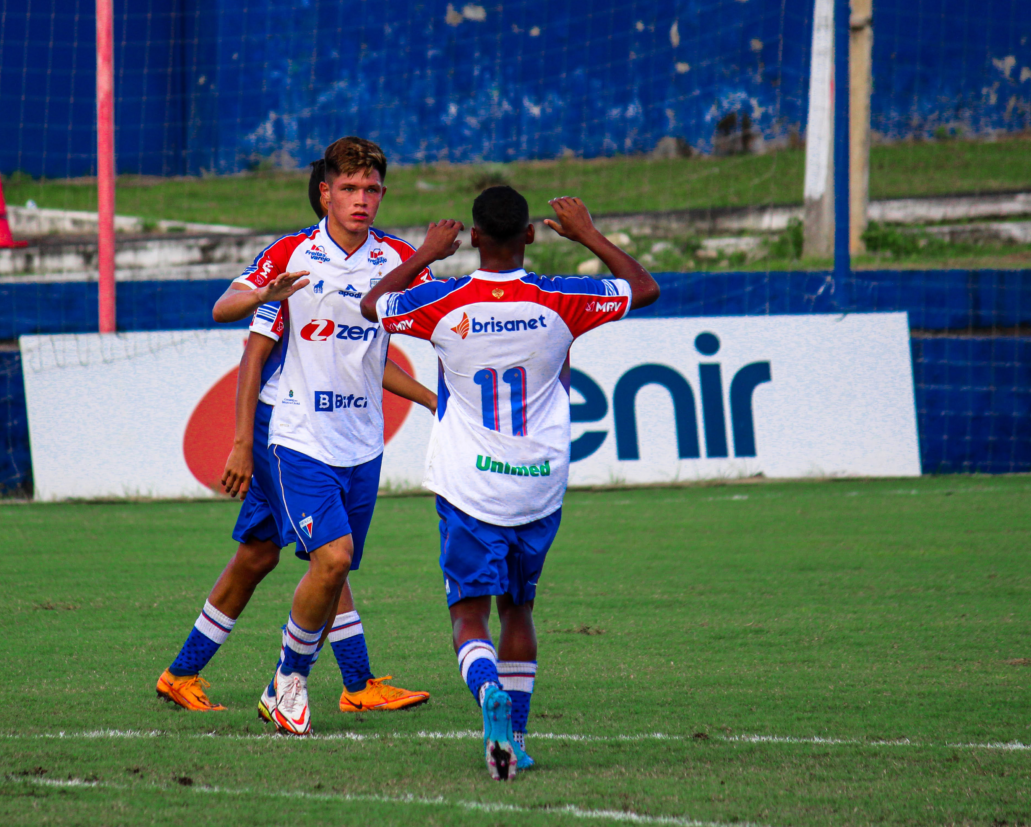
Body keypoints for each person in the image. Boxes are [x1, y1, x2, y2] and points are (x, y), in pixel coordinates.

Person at [360, 187, 659, 779]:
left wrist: (424, 253)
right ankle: (515, 739)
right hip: (539, 482)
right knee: (518, 612)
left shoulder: (443, 301)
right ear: (530, 235)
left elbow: (373, 306)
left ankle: (487, 692)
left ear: (472, 238)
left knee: (468, 619)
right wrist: (589, 235)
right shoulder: (561, 298)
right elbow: (644, 288)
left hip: (469, 486)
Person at [156, 148, 434, 717]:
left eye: (373, 189)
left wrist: (436, 401)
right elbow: (241, 335)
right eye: (351, 187)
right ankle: (334, 683)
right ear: (325, 192)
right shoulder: (293, 258)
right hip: (284, 428)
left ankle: (181, 672)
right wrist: (239, 443)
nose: (363, 198)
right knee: (329, 556)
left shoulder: (398, 259)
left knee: (262, 555)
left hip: (353, 433)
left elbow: (369, 361)